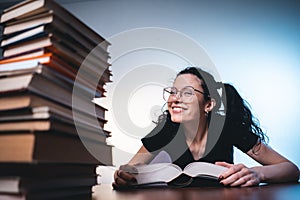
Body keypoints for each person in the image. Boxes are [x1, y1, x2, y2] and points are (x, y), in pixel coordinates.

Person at [113, 67, 299, 188]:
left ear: (208, 105)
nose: (175, 98)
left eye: (187, 93)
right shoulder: (167, 129)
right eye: (173, 91)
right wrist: (125, 174)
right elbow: (132, 166)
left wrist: (257, 173)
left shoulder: (226, 127)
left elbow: (291, 169)